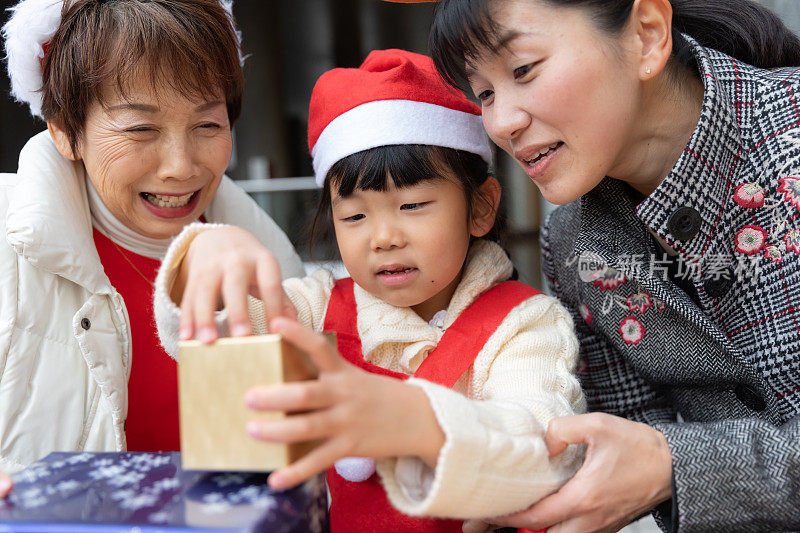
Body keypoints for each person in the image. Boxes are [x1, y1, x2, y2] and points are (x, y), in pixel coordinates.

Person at [154, 49, 586, 531]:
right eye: (355, 216)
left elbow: (544, 452)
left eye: (414, 204)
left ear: (481, 207)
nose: (383, 237)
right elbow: (216, 338)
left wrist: (413, 419)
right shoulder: (317, 309)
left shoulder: (526, 325)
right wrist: (202, 258)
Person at [424, 0, 800, 531]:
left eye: (524, 70)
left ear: (647, 34)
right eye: (484, 93)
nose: (501, 122)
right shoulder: (573, 244)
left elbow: (657, 459)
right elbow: (631, 440)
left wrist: (677, 465)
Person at [0, 0, 303, 479]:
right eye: (141, 129)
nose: (181, 166)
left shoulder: (268, 261)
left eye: (208, 125)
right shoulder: (6, 239)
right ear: (64, 131)